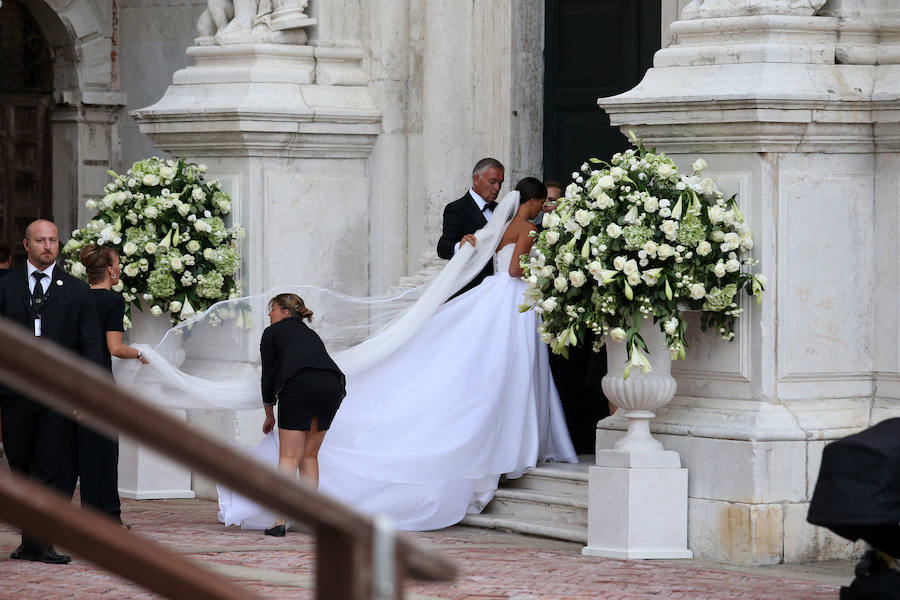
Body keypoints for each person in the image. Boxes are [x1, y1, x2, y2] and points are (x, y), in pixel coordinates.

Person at [216, 177, 577, 532]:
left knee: (293, 456)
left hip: (488, 297)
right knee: (512, 371)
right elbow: (515, 269)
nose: (544, 207)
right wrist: (542, 273)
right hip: (507, 299)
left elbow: (482, 253)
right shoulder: (527, 228)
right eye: (542, 202)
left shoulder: (498, 225)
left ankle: (283, 519)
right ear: (531, 202)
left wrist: (268, 411)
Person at [0, 219, 103, 564]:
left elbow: (90, 347)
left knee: (50, 467)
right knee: (21, 467)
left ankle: (42, 540)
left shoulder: (76, 290)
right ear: (26, 245)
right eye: (40, 240)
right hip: (15, 394)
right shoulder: (5, 285)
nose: (48, 246)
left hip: (58, 394)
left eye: (53, 241)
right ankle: (30, 541)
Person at [259, 293, 346, 537]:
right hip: (332, 385)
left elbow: (268, 376)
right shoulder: (310, 333)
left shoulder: (272, 333)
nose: (269, 314)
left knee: (288, 457)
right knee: (309, 456)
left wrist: (269, 414)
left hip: (300, 386)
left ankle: (279, 521)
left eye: (272, 309)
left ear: (285, 313)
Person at [78, 244, 147, 526]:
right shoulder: (112, 301)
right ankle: (109, 518)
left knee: (85, 451)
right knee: (106, 451)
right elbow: (116, 347)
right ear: (109, 270)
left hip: (75, 377)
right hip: (100, 381)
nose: (119, 267)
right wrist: (141, 353)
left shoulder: (76, 296)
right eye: (117, 263)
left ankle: (89, 516)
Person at [436, 158, 505, 295]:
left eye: (500, 183)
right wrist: (460, 246)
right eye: (492, 182)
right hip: (468, 289)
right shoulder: (456, 208)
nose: (497, 188)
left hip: (497, 290)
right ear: (476, 179)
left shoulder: (500, 209)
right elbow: (443, 247)